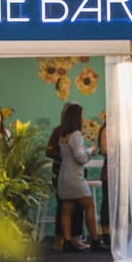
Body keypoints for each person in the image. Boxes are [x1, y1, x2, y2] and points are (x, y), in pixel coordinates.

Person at [57, 103, 100, 251]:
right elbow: (80, 157)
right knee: (89, 206)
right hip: (75, 176)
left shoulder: (62, 135)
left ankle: (67, 242)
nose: (83, 117)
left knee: (66, 209)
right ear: (77, 117)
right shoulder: (76, 135)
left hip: (63, 175)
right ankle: (95, 240)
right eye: (81, 115)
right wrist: (90, 150)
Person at [46, 103, 82, 251]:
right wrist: (61, 154)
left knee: (73, 206)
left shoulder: (71, 132)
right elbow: (48, 150)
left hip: (69, 170)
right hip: (62, 170)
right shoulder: (60, 132)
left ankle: (72, 237)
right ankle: (63, 236)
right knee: (65, 205)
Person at [97, 118, 111, 250]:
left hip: (120, 171)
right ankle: (106, 233)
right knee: (108, 203)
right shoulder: (107, 129)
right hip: (110, 171)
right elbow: (104, 149)